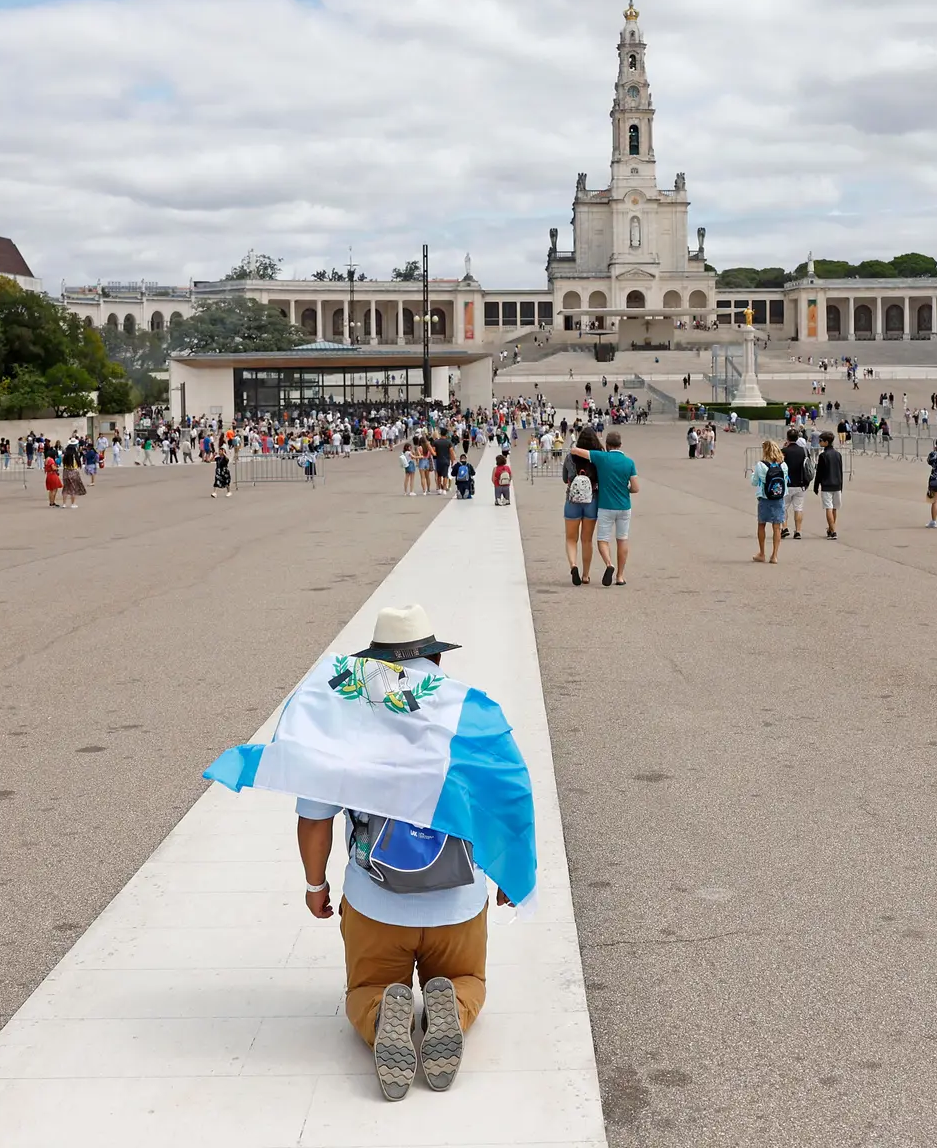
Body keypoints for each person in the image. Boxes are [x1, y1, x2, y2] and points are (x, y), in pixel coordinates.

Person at [205, 605, 531, 1103]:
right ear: (434, 660)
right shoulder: (469, 713)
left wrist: (317, 886)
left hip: (376, 902)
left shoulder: (341, 714)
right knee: (469, 978)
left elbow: (314, 818)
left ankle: (382, 1012)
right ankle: (453, 1001)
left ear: (374, 662)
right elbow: (507, 796)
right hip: (459, 903)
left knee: (365, 989)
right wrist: (511, 874)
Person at [571, 429, 638, 587]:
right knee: (622, 539)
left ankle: (609, 564)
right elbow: (635, 488)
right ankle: (620, 576)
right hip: (624, 506)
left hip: (606, 506)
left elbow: (575, 451)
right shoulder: (629, 462)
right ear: (620, 445)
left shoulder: (602, 457)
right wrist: (624, 488)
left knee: (603, 540)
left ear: (607, 445)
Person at [562, 428, 601, 586]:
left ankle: (573, 565)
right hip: (592, 500)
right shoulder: (598, 458)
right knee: (587, 540)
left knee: (571, 538)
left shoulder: (570, 457)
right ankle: (585, 575)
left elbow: (565, 479)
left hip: (572, 501)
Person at [751, 438, 787, 563]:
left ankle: (762, 553)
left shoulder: (761, 465)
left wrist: (753, 474)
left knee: (761, 524)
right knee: (777, 527)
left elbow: (754, 482)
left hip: (765, 497)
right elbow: (786, 481)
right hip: (779, 497)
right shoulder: (783, 464)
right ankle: (774, 555)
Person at [782, 429, 811, 540]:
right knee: (798, 508)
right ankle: (798, 530)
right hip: (800, 483)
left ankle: (784, 528)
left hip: (787, 483)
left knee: (783, 508)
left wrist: (784, 446)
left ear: (788, 438)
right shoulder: (804, 451)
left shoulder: (784, 451)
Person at [815, 430, 844, 539]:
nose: (819, 442)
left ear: (826, 442)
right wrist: (841, 485)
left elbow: (819, 472)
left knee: (828, 508)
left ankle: (833, 531)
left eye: (821, 441)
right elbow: (840, 471)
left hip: (826, 485)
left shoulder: (823, 455)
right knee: (834, 508)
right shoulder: (838, 454)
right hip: (837, 484)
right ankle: (831, 528)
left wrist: (816, 485)